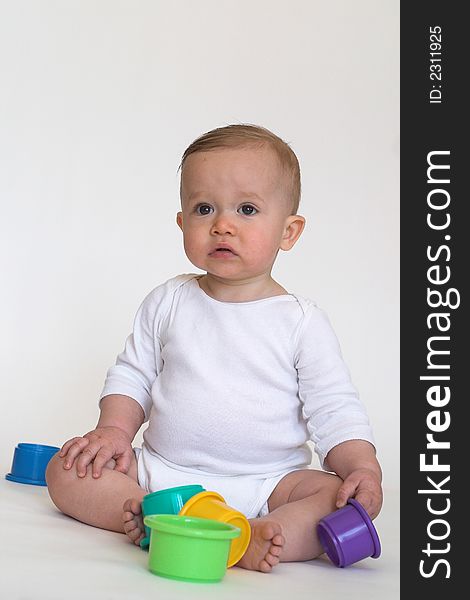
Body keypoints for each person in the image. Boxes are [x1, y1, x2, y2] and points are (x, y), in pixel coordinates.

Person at [46, 124, 383, 573]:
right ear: (183, 222)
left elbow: (334, 408)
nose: (222, 224)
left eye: (247, 209)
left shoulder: (301, 322)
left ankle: (252, 535)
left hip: (267, 486)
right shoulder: (169, 300)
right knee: (64, 471)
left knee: (330, 496)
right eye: (204, 208)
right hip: (162, 476)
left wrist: (363, 466)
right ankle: (150, 514)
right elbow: (133, 375)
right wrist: (113, 433)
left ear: (289, 231)